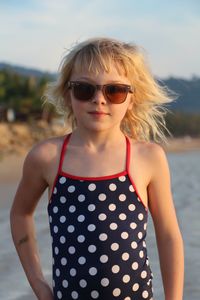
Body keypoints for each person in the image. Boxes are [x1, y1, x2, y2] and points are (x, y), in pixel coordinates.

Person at [10, 37, 184, 300]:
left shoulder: (148, 157)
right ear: (68, 95)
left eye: (114, 90)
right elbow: (20, 214)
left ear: (131, 99)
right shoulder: (47, 157)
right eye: (84, 89)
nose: (99, 100)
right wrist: (38, 283)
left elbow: (168, 234)